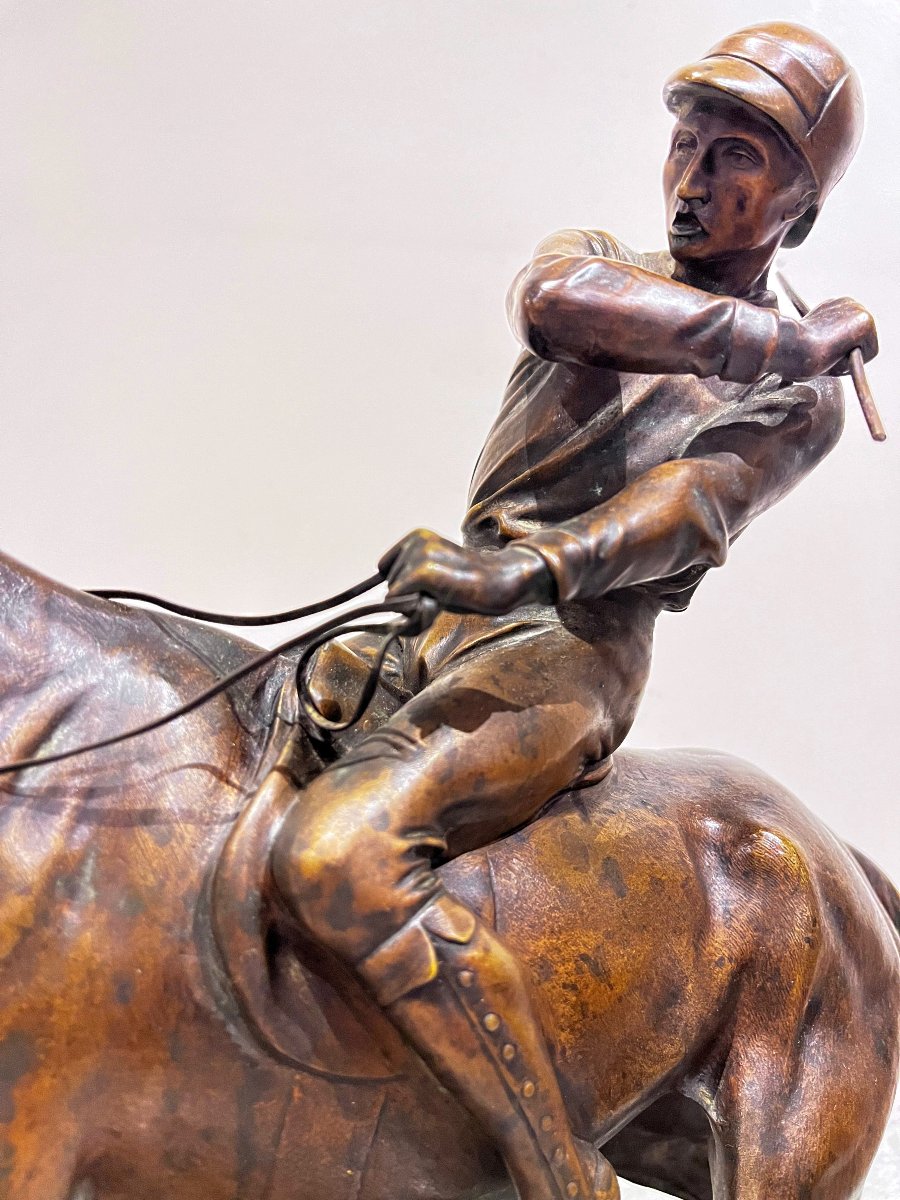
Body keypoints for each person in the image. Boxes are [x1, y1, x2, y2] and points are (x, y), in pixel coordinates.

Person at [269, 22, 877, 1200]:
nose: (695, 180)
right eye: (686, 145)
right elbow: (555, 305)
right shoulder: (604, 266)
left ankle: (559, 1172)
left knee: (341, 853)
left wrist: (530, 572)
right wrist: (780, 337)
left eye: (737, 157)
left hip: (568, 658)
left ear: (801, 202)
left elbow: (684, 513)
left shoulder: (805, 407)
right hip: (444, 612)